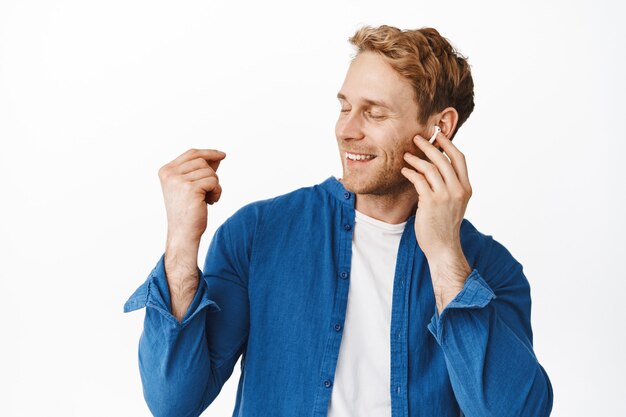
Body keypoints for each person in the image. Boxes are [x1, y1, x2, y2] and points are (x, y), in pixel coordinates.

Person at [124, 25, 553, 417]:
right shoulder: (258, 235)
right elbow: (172, 402)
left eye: (375, 112)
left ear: (440, 128)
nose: (347, 130)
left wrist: (444, 257)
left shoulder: (491, 270)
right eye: (345, 106)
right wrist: (181, 242)